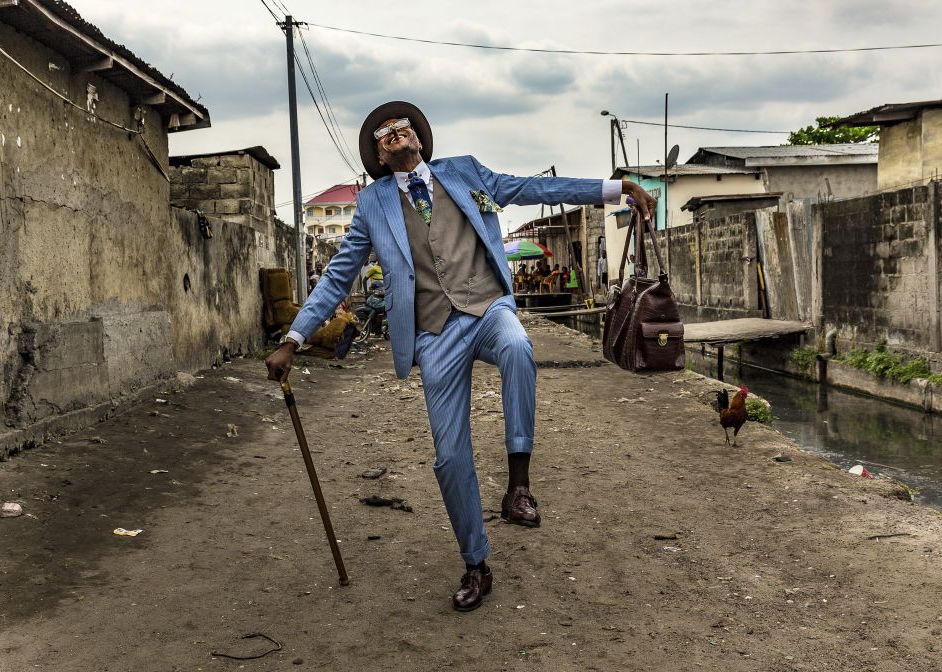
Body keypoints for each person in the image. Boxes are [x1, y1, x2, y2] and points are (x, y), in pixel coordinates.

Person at [265, 100, 655, 613]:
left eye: (402, 127)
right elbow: (339, 275)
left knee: (518, 345)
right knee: (450, 459)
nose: (394, 134)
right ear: (379, 158)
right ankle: (477, 564)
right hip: (433, 334)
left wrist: (616, 188)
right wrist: (294, 338)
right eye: (383, 134)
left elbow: (534, 188)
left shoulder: (466, 172)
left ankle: (518, 487)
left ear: (420, 140)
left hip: (486, 306)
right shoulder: (373, 204)